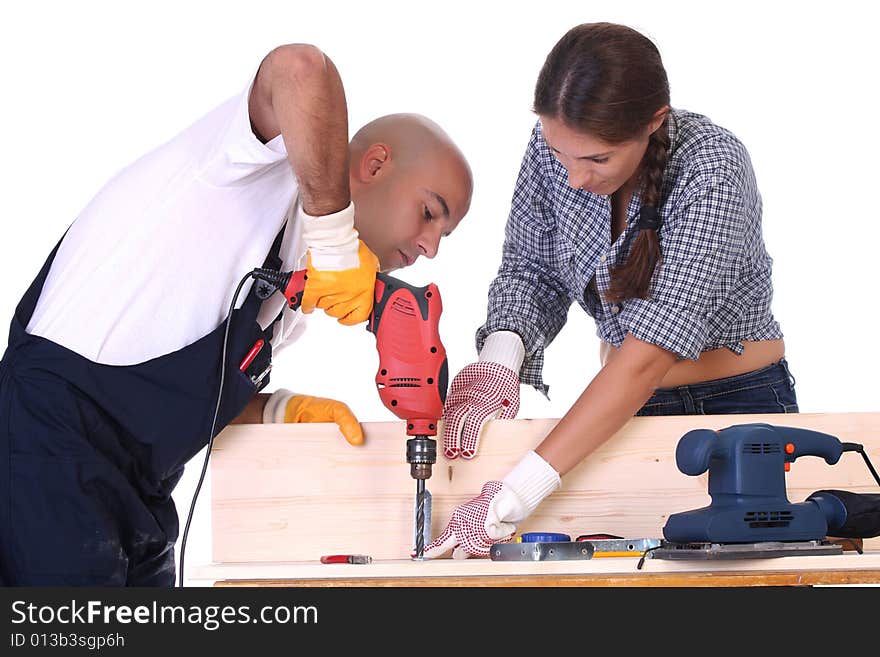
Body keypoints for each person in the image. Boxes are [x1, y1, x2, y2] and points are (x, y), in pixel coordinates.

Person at [0, 42, 473, 585]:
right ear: (375, 163)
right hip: (51, 448)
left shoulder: (292, 289)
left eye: (445, 233)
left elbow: (175, 396)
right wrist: (336, 241)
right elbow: (299, 68)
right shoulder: (250, 163)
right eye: (430, 212)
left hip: (140, 492)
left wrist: (276, 410)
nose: (431, 245)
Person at [424, 22, 795, 559]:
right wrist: (499, 360)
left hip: (739, 406)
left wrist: (511, 497)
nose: (574, 177)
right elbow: (532, 267)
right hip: (624, 410)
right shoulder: (555, 146)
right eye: (560, 153)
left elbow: (647, 357)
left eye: (597, 160)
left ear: (653, 122)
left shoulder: (714, 169)